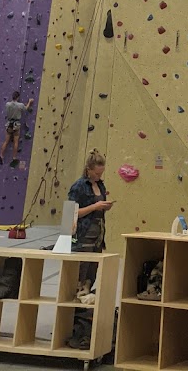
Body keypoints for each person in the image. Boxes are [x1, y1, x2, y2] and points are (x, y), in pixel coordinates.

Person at [66, 149, 113, 349]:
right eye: (96, 173)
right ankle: (73, 325)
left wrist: (105, 207)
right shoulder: (79, 186)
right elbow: (70, 213)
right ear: (88, 169)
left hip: (97, 237)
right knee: (80, 277)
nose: (99, 176)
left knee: (91, 277)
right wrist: (95, 207)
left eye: (101, 173)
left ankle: (85, 323)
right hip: (82, 237)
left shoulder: (100, 185)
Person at [0, 90, 33, 166]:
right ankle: (14, 157)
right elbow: (25, 109)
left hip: (9, 124)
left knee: (6, 141)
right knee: (16, 142)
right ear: (18, 97)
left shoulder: (7, 104)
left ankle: (1, 155)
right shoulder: (20, 105)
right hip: (16, 125)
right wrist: (29, 102)